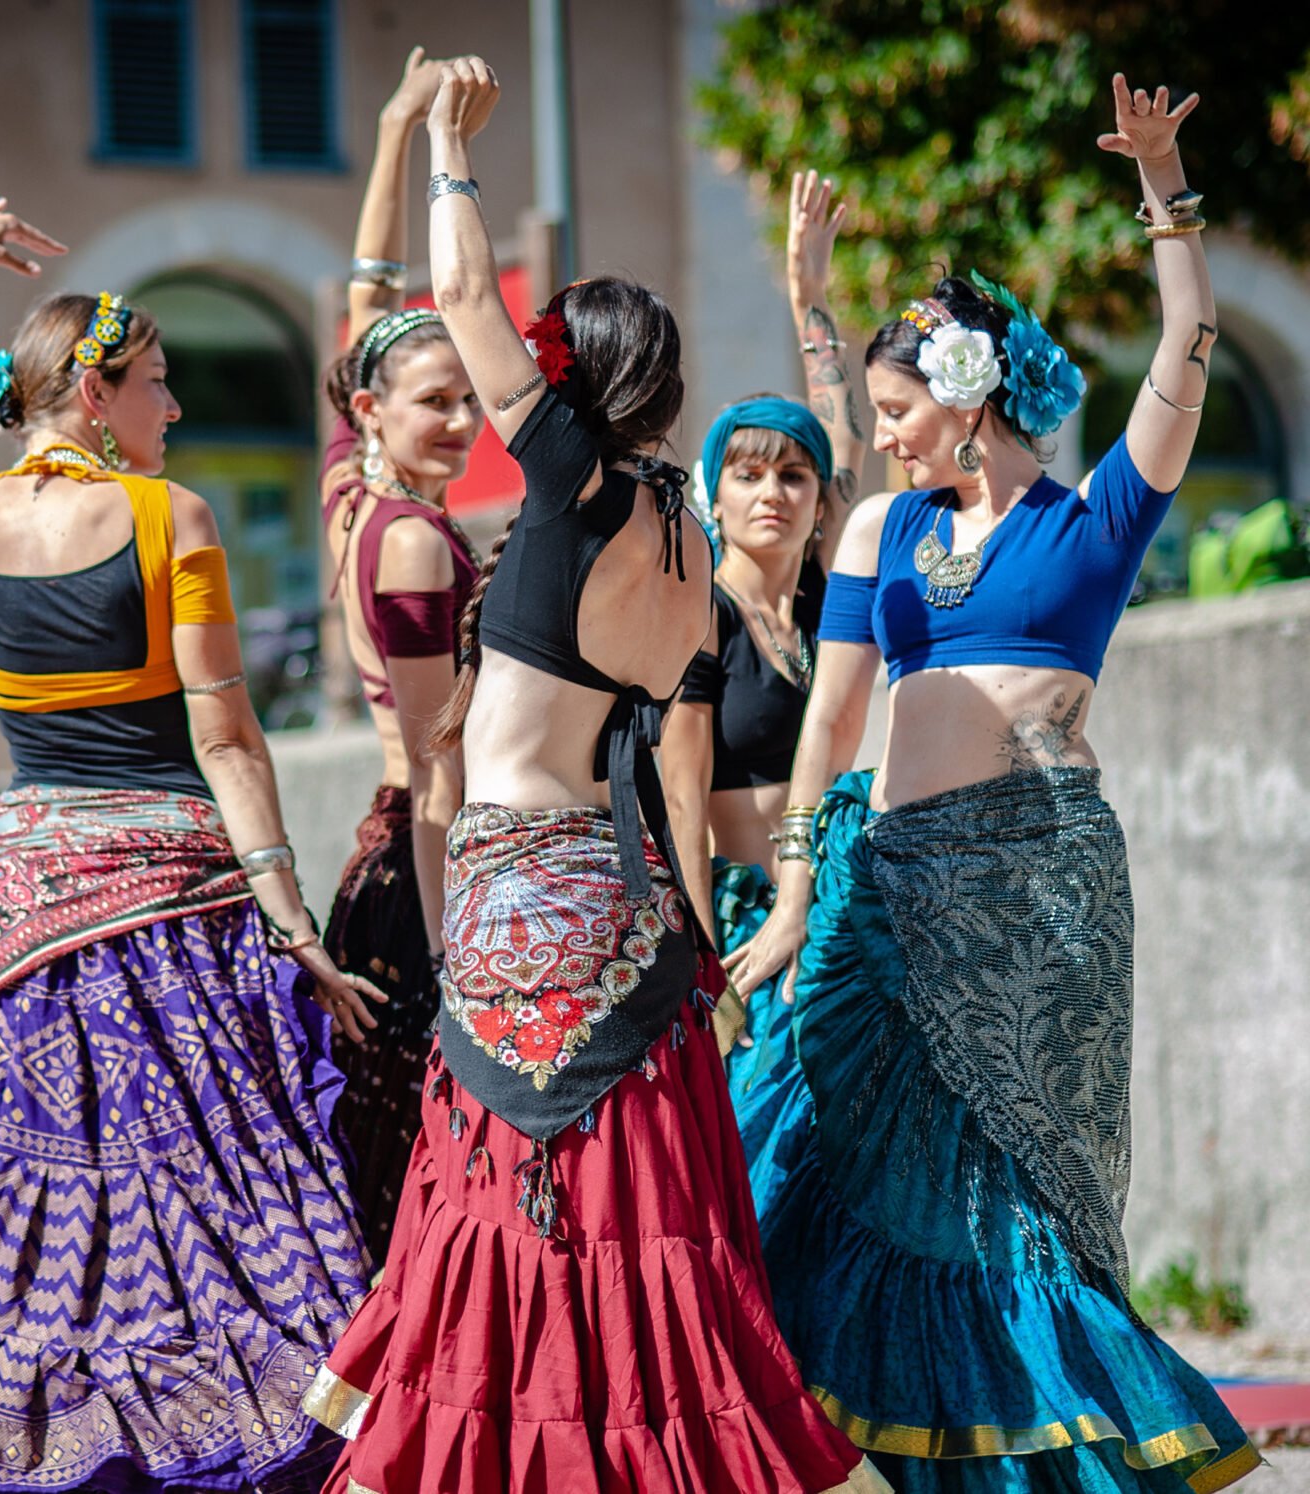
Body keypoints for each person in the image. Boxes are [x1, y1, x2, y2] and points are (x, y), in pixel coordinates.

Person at [302, 58, 886, 1494]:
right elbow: (675, 758)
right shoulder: (691, 544)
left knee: (511, 1204)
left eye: (547, 358)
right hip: (631, 910)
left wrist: (446, 148)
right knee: (636, 1206)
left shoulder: (570, 482)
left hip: (520, 889)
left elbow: (457, 292)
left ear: (576, 384)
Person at [726, 78, 1261, 1491]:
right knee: (826, 1151)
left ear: (967, 399)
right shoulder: (881, 531)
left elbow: (1185, 347)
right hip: (883, 892)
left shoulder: (1097, 521)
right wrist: (794, 897)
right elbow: (831, 719)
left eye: (901, 410)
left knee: (1022, 1195)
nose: (885, 436)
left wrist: (1163, 188)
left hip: (1037, 900)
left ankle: (1051, 1456)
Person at [0, 200, 385, 1494]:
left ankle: (14, 1439)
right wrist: (295, 926)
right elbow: (229, 739)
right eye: (156, 381)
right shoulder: (169, 519)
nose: (175, 407)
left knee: (40, 1209)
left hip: (27, 908)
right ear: (93, 393)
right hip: (175, 910)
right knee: (224, 1201)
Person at [319, 46, 485, 1264]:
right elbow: (439, 767)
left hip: (380, 868)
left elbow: (365, 301)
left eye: (471, 398)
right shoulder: (417, 542)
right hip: (420, 876)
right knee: (411, 1180)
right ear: (373, 409)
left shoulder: (349, 498)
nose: (465, 422)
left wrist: (390, 134)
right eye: (438, 402)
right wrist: (455, 951)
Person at [663, 169, 865, 1091]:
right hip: (745, 925)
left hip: (839, 912)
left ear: (820, 500)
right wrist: (704, 965)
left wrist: (809, 297)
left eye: (792, 476)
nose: (772, 493)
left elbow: (843, 436)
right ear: (718, 493)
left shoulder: (825, 600)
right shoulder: (702, 613)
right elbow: (680, 795)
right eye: (747, 476)